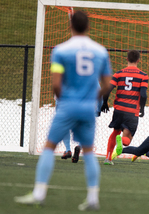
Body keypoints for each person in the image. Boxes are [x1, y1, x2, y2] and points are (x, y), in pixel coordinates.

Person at [14, 10, 112, 211]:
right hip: (87, 108)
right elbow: (107, 84)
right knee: (89, 151)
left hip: (67, 106)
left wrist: (66, 98)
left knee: (49, 147)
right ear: (88, 27)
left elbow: (56, 85)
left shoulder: (60, 50)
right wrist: (91, 98)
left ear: (70, 26)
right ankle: (93, 198)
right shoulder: (101, 51)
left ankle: (39, 193)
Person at [101, 50, 149, 165]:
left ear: (126, 59)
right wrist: (142, 108)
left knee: (115, 132)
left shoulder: (118, 74)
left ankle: (108, 158)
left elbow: (108, 88)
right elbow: (143, 94)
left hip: (119, 109)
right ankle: (121, 141)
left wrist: (104, 103)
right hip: (132, 111)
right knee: (127, 140)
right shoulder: (143, 76)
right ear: (138, 60)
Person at [59, 84, 103, 163]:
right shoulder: (92, 75)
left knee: (65, 127)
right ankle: (79, 146)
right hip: (86, 108)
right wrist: (99, 109)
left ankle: (68, 149)